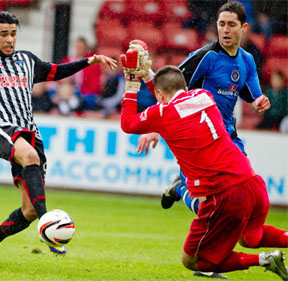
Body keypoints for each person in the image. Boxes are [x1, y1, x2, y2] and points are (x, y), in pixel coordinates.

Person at [0, 11, 116, 262]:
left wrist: (89, 61)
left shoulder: (26, 60)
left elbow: (55, 72)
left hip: (30, 132)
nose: (10, 40)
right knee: (29, 157)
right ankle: (48, 226)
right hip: (0, 130)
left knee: (28, 210)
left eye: (13, 34)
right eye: (4, 34)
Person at [120, 62, 288, 280]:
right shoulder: (203, 96)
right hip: (253, 183)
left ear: (159, 95)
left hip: (225, 196)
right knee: (249, 238)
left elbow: (128, 123)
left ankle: (264, 260)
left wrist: (132, 84)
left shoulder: (163, 113)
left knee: (194, 260)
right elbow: (171, 97)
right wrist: (149, 75)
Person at [137, 1, 271, 217]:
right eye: (222, 24)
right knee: (209, 210)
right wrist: (155, 126)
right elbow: (168, 86)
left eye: (231, 24)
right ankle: (181, 188)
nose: (225, 30)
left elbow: (253, 96)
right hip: (197, 138)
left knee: (244, 192)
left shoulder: (247, 60)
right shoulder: (205, 56)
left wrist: (259, 102)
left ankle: (250, 239)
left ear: (244, 28)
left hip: (227, 136)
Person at [61, 37, 102, 110]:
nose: (79, 49)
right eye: (78, 47)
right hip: (68, 90)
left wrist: (78, 92)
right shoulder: (68, 60)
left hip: (84, 93)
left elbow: (95, 85)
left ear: (86, 48)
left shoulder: (92, 63)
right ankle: (68, 103)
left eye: (81, 47)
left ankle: (69, 104)